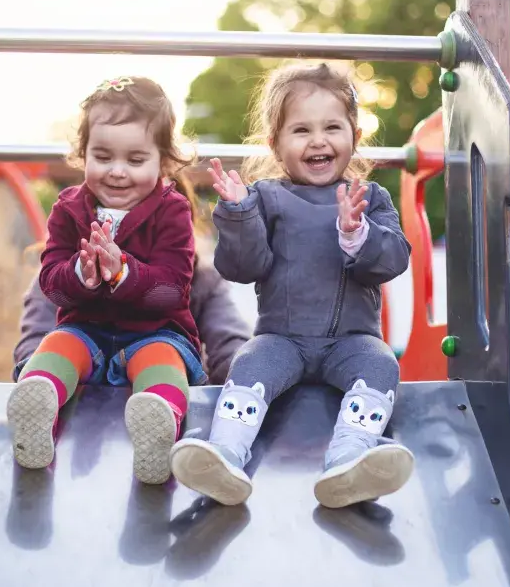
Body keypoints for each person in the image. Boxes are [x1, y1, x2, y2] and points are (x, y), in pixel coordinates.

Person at [169, 62, 414, 509]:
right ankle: (225, 455)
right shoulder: (266, 199)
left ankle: (348, 460)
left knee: (382, 367)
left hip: (352, 341)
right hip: (281, 338)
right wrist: (240, 214)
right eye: (301, 130)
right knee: (248, 363)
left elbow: (393, 259)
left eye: (332, 128)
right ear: (276, 145)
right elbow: (242, 267)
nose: (318, 140)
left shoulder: (370, 199)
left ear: (354, 137)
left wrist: (358, 235)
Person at [6, 75, 205, 486]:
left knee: (160, 362)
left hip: (156, 332)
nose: (116, 172)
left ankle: (158, 423)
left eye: (135, 160)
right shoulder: (68, 209)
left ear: (163, 161)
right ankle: (37, 411)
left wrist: (123, 273)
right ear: (83, 154)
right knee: (57, 344)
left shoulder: (172, 212)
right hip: (86, 331)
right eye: (102, 156)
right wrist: (82, 273)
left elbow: (172, 289)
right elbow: (52, 284)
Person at [12, 187, 252, 387]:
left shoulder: (202, 281)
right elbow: (33, 343)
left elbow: (230, 343)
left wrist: (244, 386)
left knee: (163, 357)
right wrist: (48, 376)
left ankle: (162, 401)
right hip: (80, 400)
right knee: (55, 351)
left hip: (165, 379)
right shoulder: (64, 277)